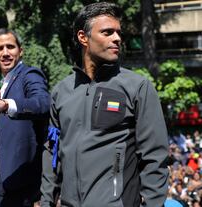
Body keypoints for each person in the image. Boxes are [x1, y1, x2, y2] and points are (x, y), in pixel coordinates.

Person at [40, 2, 169, 207]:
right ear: (83, 37)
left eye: (118, 32)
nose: (117, 38)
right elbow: (52, 153)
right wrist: (47, 201)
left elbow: (155, 157)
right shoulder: (60, 92)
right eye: (107, 32)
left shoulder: (138, 87)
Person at [0, 28, 50, 206]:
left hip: (22, 176)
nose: (5, 53)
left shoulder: (30, 75)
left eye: (10, 47)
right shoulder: (3, 85)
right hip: (4, 173)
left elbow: (44, 104)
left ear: (20, 51)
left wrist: (5, 104)